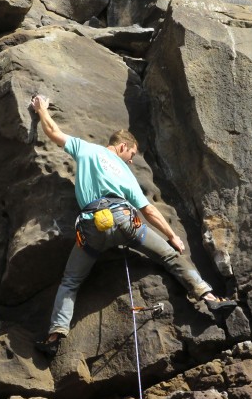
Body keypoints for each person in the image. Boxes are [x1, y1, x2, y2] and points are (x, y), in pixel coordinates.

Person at [29, 94, 236, 357]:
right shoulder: (126, 173)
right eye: (132, 154)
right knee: (170, 257)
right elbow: (149, 210)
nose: (130, 160)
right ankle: (208, 298)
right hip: (126, 221)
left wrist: (41, 110)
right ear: (123, 146)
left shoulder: (86, 149)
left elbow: (53, 131)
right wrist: (173, 235)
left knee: (70, 282)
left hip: (92, 228)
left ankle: (54, 337)